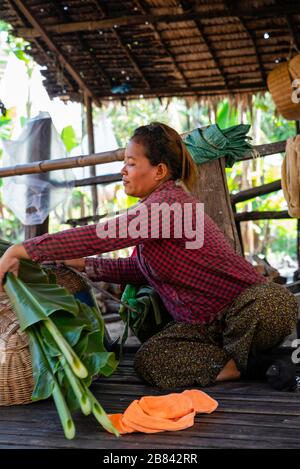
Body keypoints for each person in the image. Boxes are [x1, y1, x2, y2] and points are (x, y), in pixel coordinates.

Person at [0, 122, 298, 391]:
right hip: (201, 328)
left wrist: (22, 249)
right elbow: (139, 269)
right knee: (149, 360)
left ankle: (244, 363)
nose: (123, 171)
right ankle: (253, 366)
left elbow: (98, 235)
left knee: (274, 302)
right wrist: (77, 263)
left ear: (159, 171)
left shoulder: (168, 205)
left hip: (242, 312)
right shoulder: (152, 212)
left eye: (130, 163)